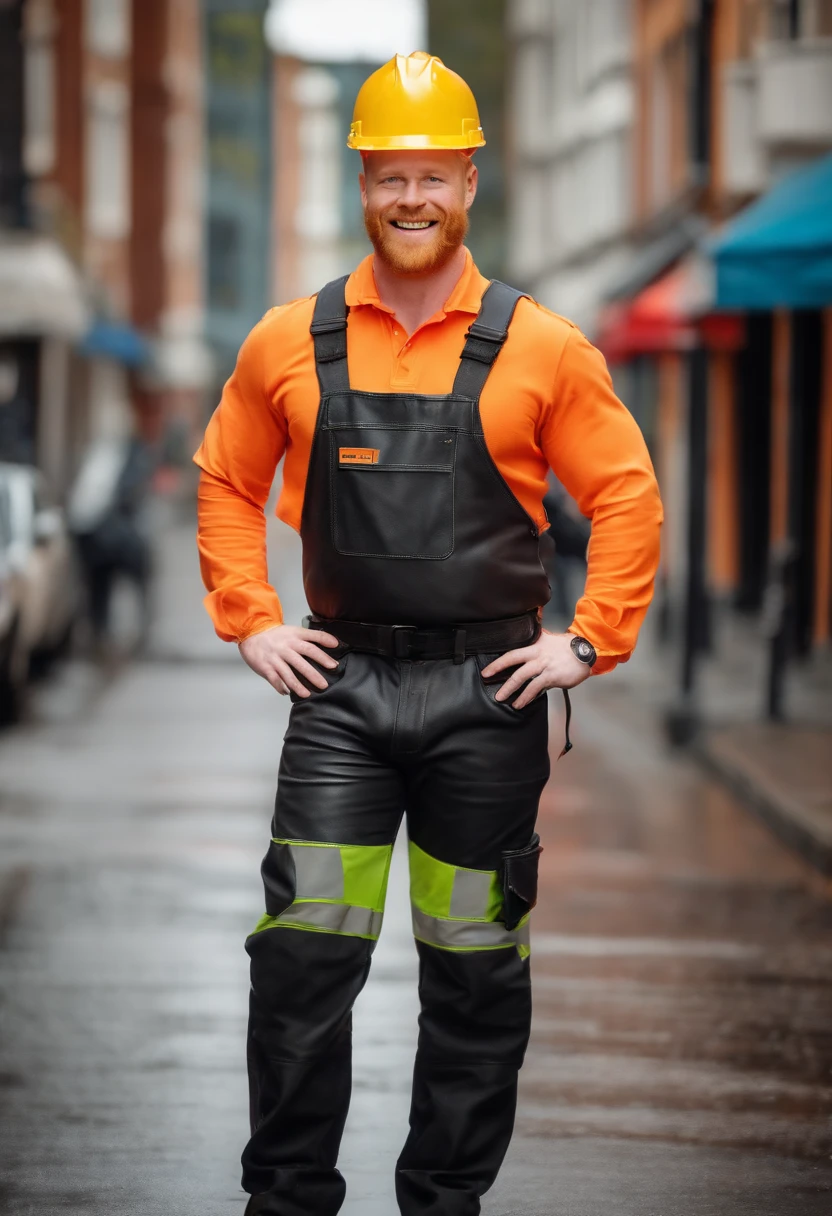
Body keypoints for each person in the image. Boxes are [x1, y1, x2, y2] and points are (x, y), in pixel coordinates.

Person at [194, 52, 663, 1216]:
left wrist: (590, 641)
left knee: (472, 974)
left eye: (434, 177)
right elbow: (222, 478)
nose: (412, 197)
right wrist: (251, 622)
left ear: (469, 181)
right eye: (390, 175)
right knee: (302, 959)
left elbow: (627, 494)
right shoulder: (288, 340)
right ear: (362, 181)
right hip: (341, 698)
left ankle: (442, 1203)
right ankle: (288, 1199)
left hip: (486, 702)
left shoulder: (542, 345)